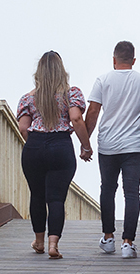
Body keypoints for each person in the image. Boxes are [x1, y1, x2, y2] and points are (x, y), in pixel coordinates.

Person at [85, 41, 140, 259]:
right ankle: (128, 243)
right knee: (132, 192)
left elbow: (92, 112)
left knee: (108, 189)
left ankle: (108, 238)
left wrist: (86, 142)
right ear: (133, 60)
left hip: (108, 146)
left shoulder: (102, 80)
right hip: (135, 147)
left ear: (114, 59)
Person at [16, 51, 92, 260]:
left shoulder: (27, 98)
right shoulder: (72, 93)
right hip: (60, 146)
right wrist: (86, 146)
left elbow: (23, 128)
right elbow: (76, 118)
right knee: (56, 198)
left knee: (37, 195)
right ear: (62, 70)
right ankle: (53, 244)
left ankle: (38, 241)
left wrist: (33, 145)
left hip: (35, 147)